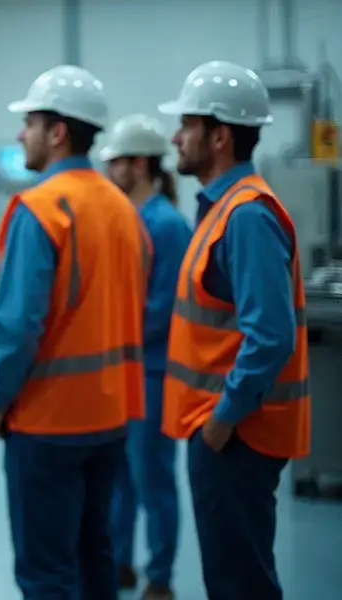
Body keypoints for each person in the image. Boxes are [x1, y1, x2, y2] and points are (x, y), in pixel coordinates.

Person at [0, 64, 149, 600]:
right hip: (110, 416)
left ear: (57, 131)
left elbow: (15, 328)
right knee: (94, 555)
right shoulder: (125, 210)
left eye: (28, 122)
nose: (20, 135)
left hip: (48, 421)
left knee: (47, 574)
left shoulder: (42, 209)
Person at [157, 60, 311, 600]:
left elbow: (269, 335)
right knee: (231, 577)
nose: (176, 137)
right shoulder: (222, 210)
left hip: (236, 434)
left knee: (238, 584)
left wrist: (222, 420)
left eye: (187, 125)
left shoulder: (245, 216)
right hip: (224, 430)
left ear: (219, 136)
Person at [99, 115, 193, 600]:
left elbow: (160, 310)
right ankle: (119, 562)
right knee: (121, 477)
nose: (110, 170)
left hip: (154, 372)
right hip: (125, 370)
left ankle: (160, 577)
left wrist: (109, 334)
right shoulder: (130, 220)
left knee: (152, 477)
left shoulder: (167, 225)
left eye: (116, 162)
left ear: (139, 164)